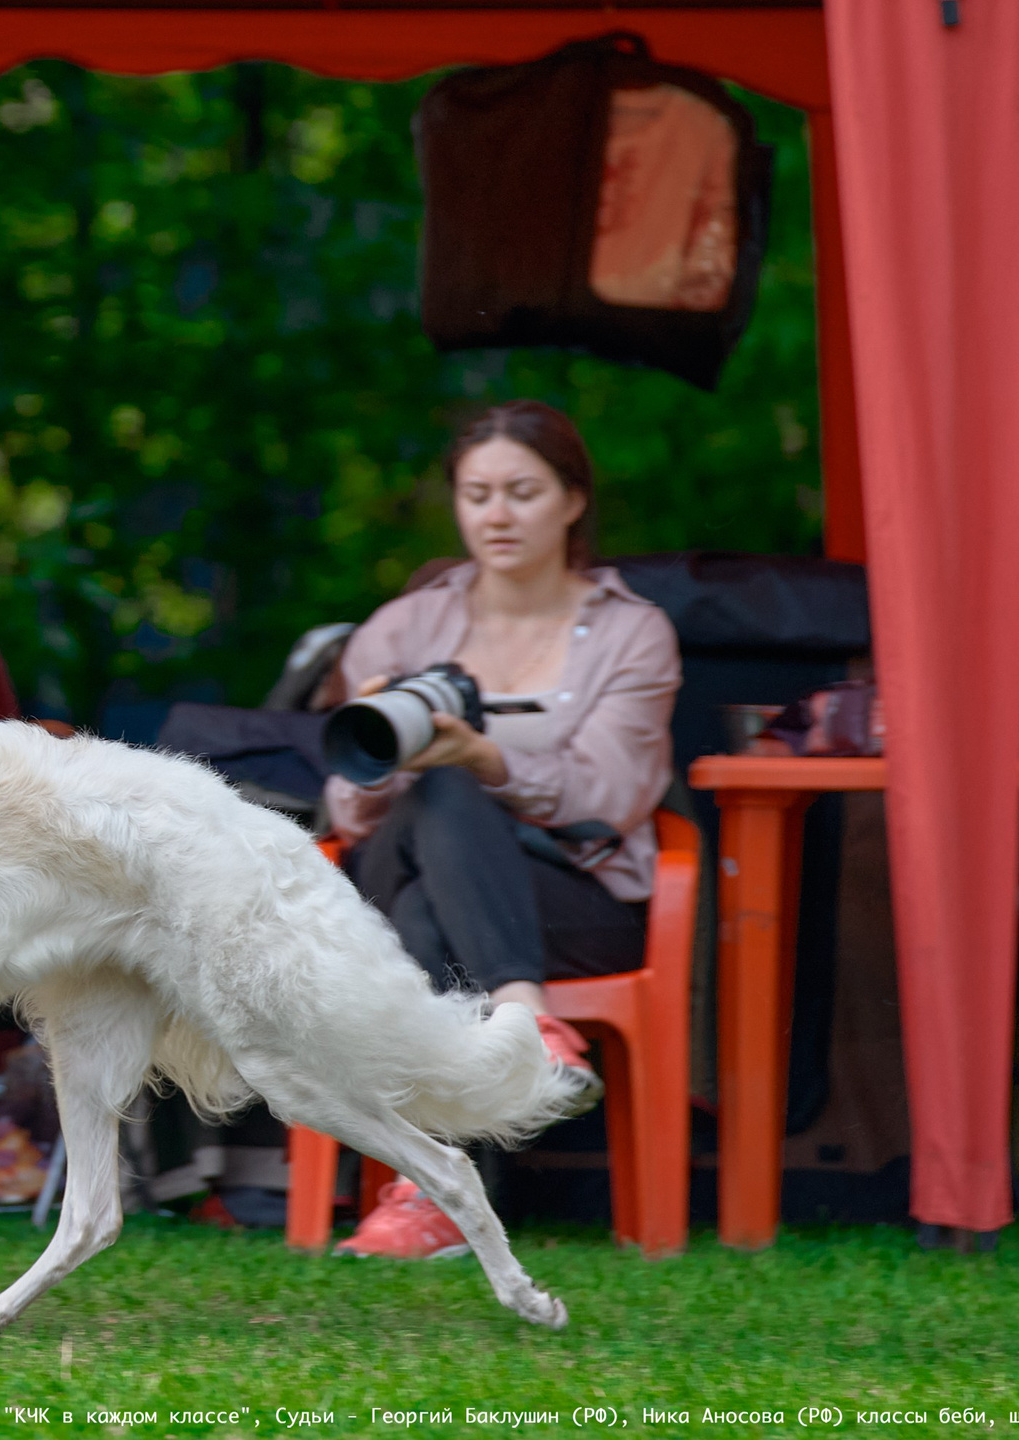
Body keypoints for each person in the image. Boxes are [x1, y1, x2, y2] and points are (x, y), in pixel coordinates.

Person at [323, 400, 680, 1259]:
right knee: (433, 799)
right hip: (418, 870)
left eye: (522, 492)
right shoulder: (406, 626)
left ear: (573, 500)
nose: (497, 515)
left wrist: (488, 758)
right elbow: (347, 804)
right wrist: (397, 749)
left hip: (569, 895)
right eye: (477, 494)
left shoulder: (633, 633)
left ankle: (431, 1195)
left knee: (426, 905)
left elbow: (613, 792)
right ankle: (531, 1021)